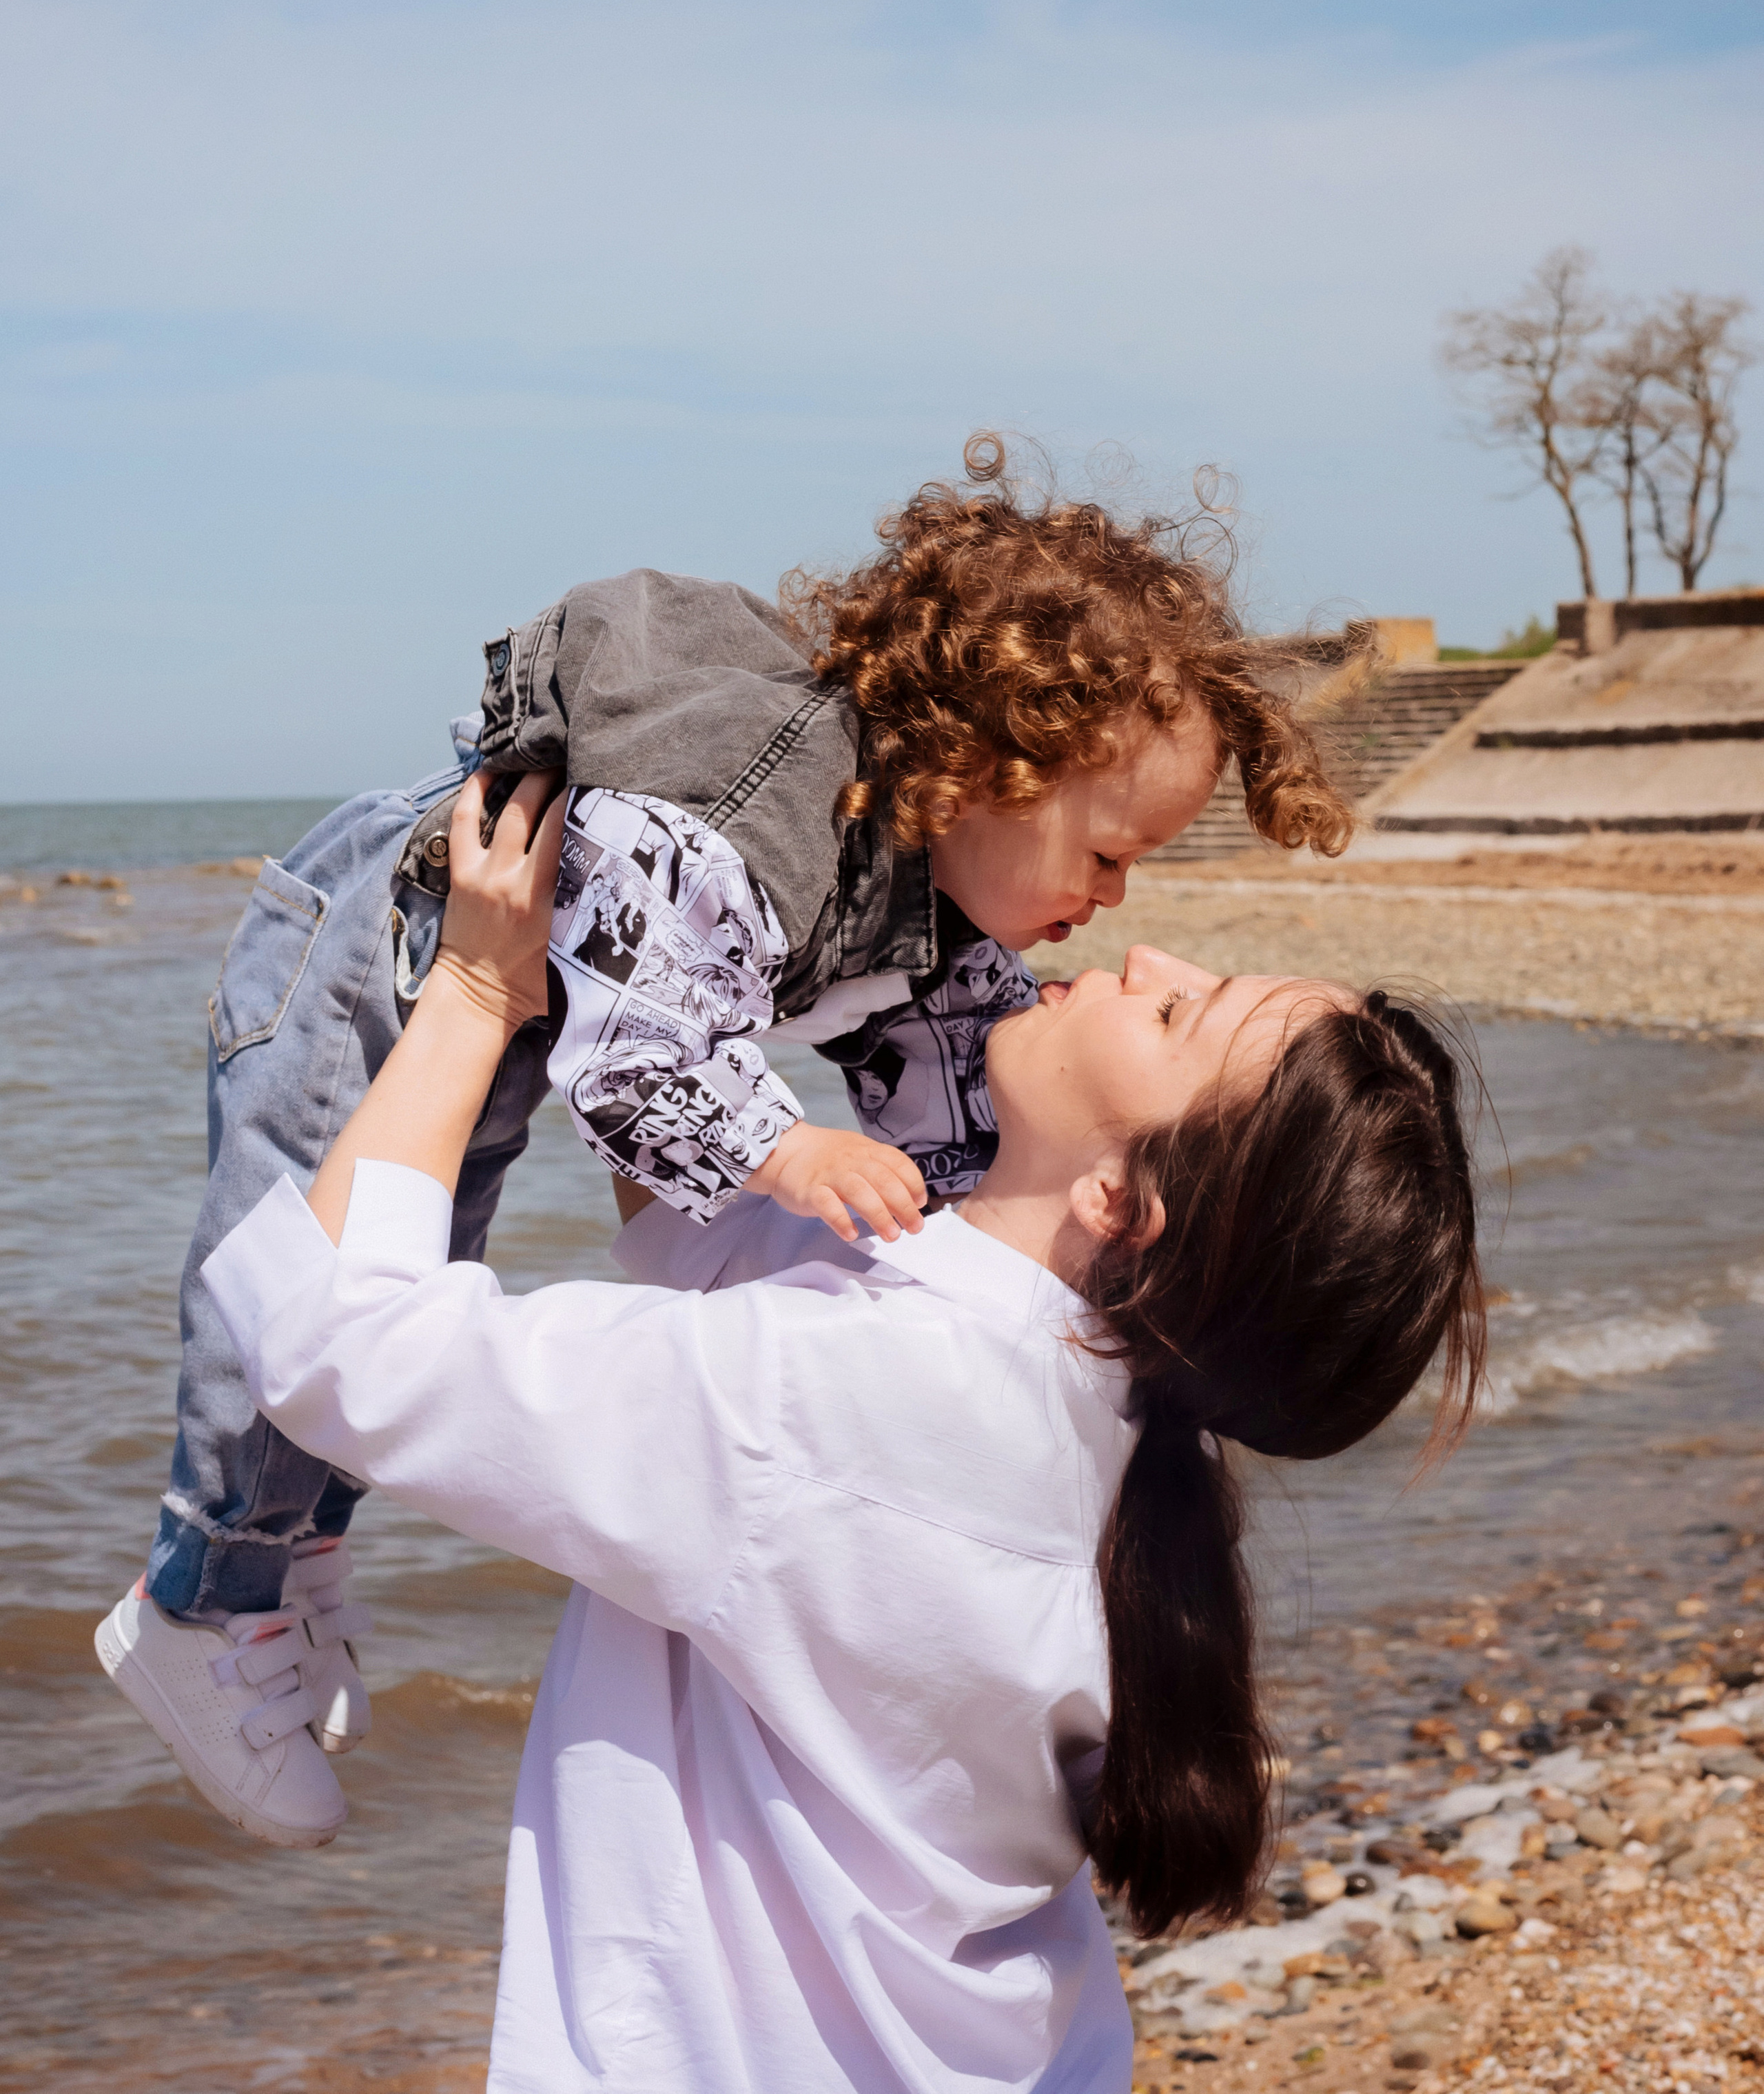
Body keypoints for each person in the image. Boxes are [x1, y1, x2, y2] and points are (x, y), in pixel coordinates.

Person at [124, 768, 1484, 2093]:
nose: (1150, 960)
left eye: (1183, 1016)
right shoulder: (1083, 1410)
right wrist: (670, 956)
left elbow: (336, 1348)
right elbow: (686, 1230)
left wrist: (480, 988)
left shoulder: (852, 1403)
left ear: (1127, 1201)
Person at [97, 441, 1357, 1847]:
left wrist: (970, 1267)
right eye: (1110, 855)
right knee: (285, 1275)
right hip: (373, 953)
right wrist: (787, 1154)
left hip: (486, 1003)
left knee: (420, 1246)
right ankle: (203, 1598)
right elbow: (638, 1049)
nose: (1118, 905)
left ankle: (292, 1556)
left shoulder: (935, 904)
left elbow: (963, 1098)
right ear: (986, 769)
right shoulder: (765, 843)